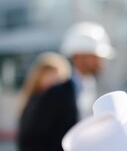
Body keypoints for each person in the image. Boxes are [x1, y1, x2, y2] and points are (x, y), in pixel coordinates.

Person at [17, 21, 115, 151]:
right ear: (78, 57)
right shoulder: (56, 94)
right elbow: (32, 139)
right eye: (94, 56)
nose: (100, 62)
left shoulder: (93, 91)